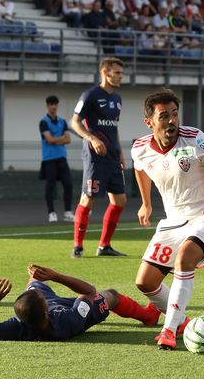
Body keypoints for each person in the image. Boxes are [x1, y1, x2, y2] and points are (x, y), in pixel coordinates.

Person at [131, 89, 204, 349]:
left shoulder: (195, 141)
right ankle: (182, 322)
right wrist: (146, 204)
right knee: (145, 282)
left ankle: (168, 331)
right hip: (174, 220)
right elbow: (140, 170)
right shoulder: (140, 148)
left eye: (175, 114)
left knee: (185, 259)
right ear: (149, 122)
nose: (172, 121)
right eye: (164, 116)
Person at [0, 264, 160, 341]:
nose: (43, 295)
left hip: (43, 309)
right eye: (43, 299)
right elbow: (89, 290)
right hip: (81, 313)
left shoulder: (17, 327)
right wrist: (56, 276)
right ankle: (148, 316)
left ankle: (36, 284)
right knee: (110, 296)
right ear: (46, 311)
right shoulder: (69, 320)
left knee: (35, 280)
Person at [69, 58, 128, 258]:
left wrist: (120, 151)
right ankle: (77, 246)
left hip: (112, 156)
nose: (121, 76)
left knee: (120, 200)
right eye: (117, 72)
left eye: (121, 72)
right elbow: (75, 123)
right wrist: (92, 138)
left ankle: (104, 246)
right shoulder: (90, 95)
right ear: (105, 72)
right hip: (95, 157)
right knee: (88, 198)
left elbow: (114, 127)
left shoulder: (118, 99)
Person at [39, 95, 74, 223]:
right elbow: (49, 140)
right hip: (49, 159)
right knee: (50, 186)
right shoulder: (43, 122)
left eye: (55, 104)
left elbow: (68, 139)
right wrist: (60, 139)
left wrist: (55, 140)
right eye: (51, 104)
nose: (53, 106)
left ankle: (68, 212)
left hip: (62, 158)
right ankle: (51, 213)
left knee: (68, 185)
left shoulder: (62, 121)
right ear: (47, 106)